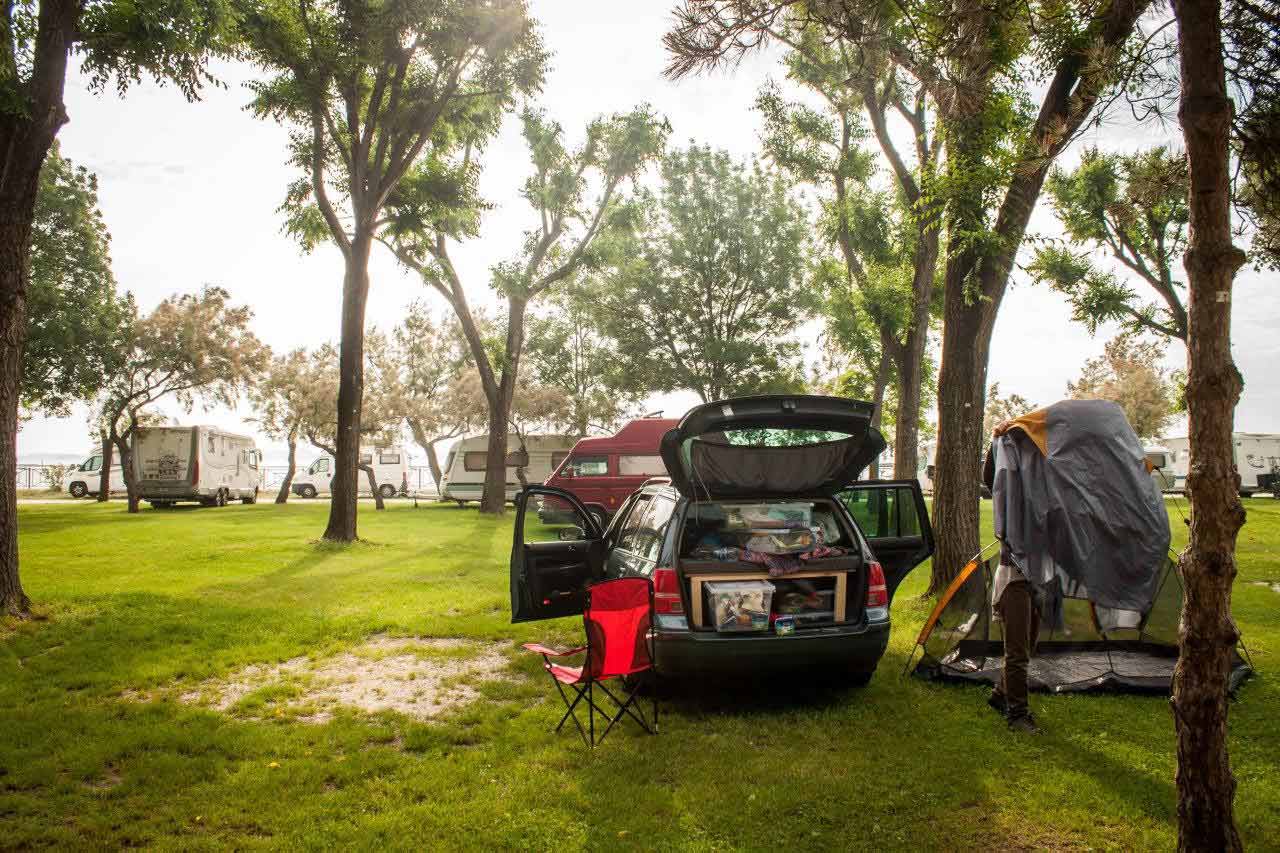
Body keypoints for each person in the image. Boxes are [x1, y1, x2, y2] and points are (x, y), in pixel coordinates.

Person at [983, 431, 1043, 734]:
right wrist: (998, 442)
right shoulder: (1010, 500)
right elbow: (990, 477)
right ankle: (1017, 714)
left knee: (1027, 648)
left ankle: (998, 695)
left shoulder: (1043, 497)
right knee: (1017, 654)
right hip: (1013, 583)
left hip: (1037, 582)